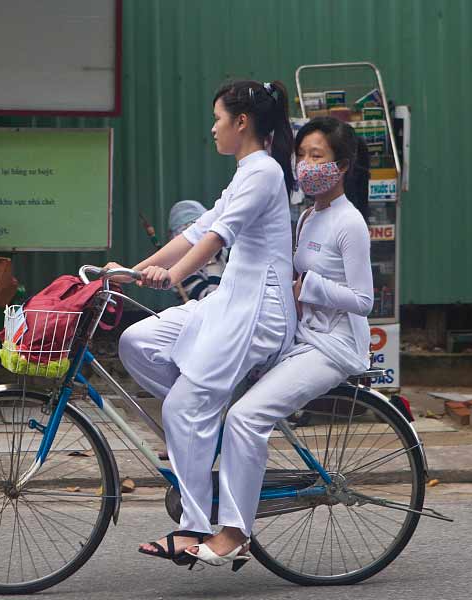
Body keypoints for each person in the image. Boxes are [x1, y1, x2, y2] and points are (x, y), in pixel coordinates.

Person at [107, 80, 297, 567]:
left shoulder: (263, 173)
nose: (212, 127)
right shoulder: (244, 173)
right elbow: (194, 230)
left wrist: (169, 276)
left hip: (256, 312)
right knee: (137, 341)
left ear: (241, 122)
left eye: (218, 118)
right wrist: (131, 272)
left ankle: (193, 526)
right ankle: (201, 422)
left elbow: (214, 239)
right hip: (229, 303)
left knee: (183, 409)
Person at [208, 117, 373, 563]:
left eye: (316, 156)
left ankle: (235, 533)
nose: (304, 164)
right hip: (302, 336)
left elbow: (364, 299)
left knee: (245, 417)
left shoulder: (349, 223)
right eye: (301, 155)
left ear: (342, 166)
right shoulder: (307, 215)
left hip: (333, 347)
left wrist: (310, 287)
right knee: (218, 380)